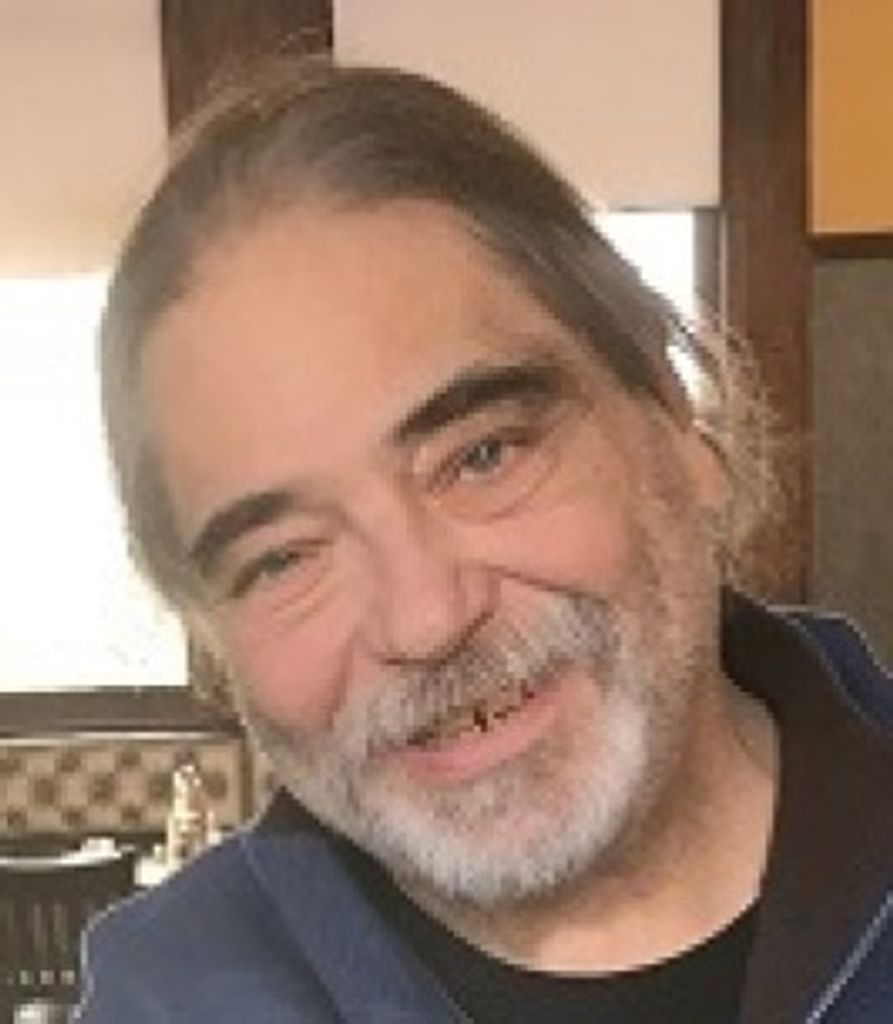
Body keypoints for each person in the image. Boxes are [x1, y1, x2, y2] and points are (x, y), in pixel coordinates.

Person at [76, 59, 893, 1023]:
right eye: (283, 559)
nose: (424, 619)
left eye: (481, 456)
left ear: (677, 422)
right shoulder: (168, 1000)